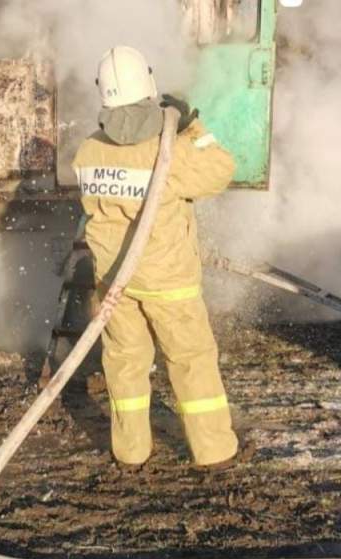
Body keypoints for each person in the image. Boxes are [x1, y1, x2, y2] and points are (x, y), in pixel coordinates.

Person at [73, 46, 240, 469]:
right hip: (169, 282)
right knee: (191, 362)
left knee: (124, 364)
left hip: (116, 282)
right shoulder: (171, 149)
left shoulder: (89, 151)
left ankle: (130, 452)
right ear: (147, 82)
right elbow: (222, 169)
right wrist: (191, 126)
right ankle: (214, 451)